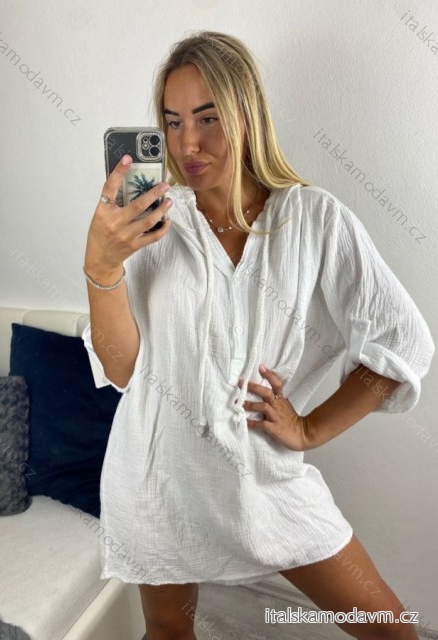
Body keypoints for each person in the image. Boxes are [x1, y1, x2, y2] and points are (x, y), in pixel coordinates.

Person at [82, 31, 434, 640]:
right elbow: (121, 370)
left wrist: (310, 428)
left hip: (266, 480)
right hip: (158, 478)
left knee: (390, 629)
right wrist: (101, 266)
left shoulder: (313, 219)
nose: (187, 144)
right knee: (169, 634)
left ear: (246, 114)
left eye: (207, 118)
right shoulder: (151, 225)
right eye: (172, 122)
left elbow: (401, 340)